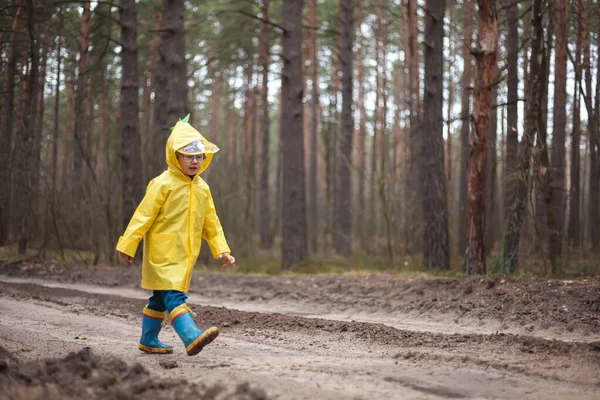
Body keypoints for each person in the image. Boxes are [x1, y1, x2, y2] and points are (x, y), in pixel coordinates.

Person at [116, 116, 235, 356]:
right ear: (175, 156)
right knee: (174, 295)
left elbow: (211, 221)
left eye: (199, 157)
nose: (194, 162)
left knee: (159, 299)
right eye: (188, 156)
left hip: (185, 254)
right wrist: (129, 244)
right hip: (163, 253)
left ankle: (148, 339)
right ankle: (190, 335)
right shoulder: (162, 183)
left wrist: (221, 247)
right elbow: (143, 215)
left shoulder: (202, 188)